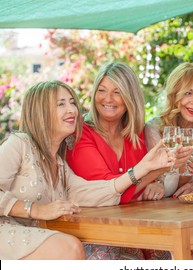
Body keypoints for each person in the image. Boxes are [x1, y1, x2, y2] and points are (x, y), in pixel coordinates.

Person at [0, 80, 172, 260]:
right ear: (40, 112)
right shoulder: (19, 144)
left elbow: (97, 191)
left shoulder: (60, 165)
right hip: (7, 234)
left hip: (37, 238)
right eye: (61, 104)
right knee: (70, 248)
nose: (72, 110)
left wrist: (143, 168)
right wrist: (35, 210)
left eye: (72, 102)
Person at [66, 62, 170, 260]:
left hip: (133, 224)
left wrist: (156, 183)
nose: (108, 99)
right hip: (91, 230)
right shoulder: (81, 134)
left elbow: (132, 185)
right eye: (102, 90)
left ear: (130, 97)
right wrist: (153, 175)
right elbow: (109, 191)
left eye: (117, 92)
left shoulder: (136, 133)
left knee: (162, 249)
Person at [145, 62, 193, 259]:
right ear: (175, 94)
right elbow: (157, 185)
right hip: (166, 213)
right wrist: (175, 176)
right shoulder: (156, 129)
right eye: (188, 93)